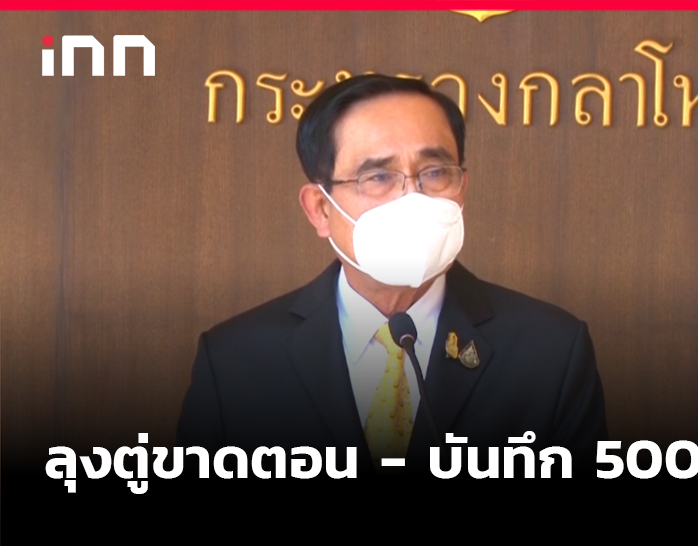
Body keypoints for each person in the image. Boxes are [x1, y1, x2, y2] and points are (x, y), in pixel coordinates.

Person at [176, 74, 607, 478]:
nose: (412, 197)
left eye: (434, 172)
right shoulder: (235, 362)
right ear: (320, 209)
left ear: (462, 189)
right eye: (378, 176)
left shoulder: (551, 352)